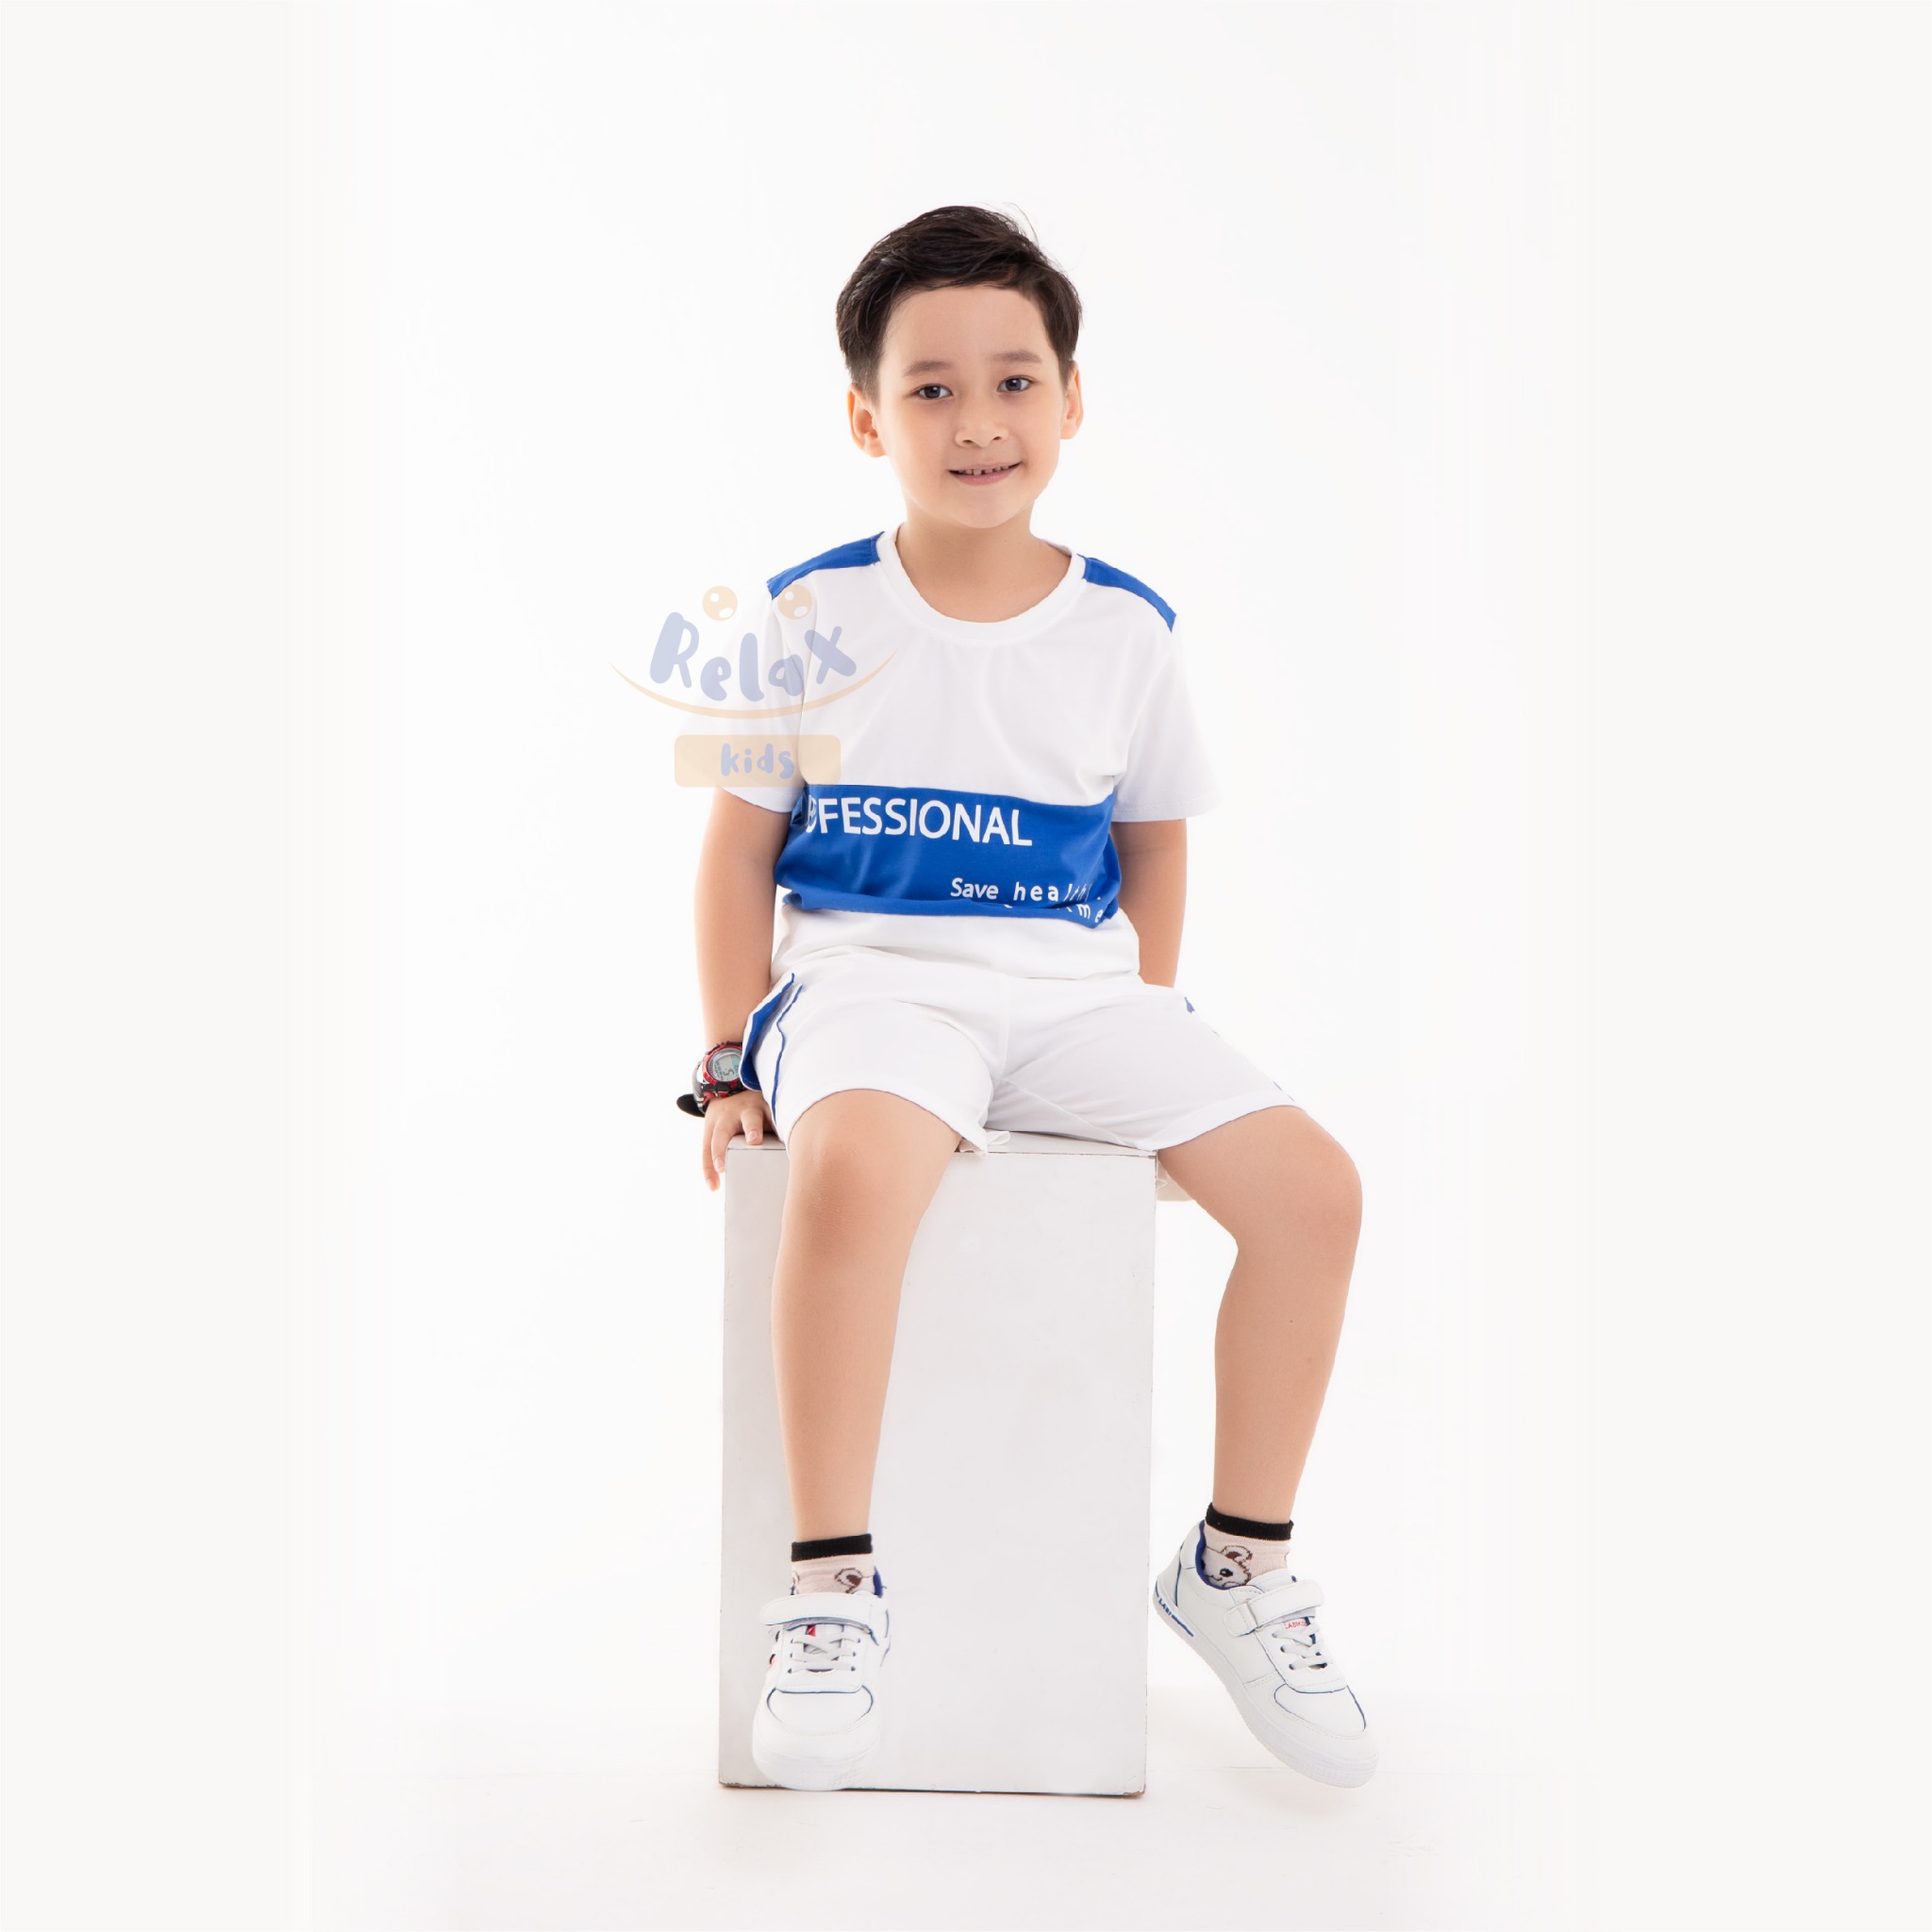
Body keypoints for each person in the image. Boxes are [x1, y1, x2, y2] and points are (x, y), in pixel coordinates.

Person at [680, 206, 1374, 1793]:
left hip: (1071, 996)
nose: (977, 420)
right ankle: (831, 1589)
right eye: (929, 389)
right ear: (867, 418)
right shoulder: (807, 618)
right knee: (853, 1179)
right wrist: (727, 1060)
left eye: (1013, 381)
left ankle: (1237, 1566)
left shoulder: (1127, 629)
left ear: (1071, 400)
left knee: (1316, 1195)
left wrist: (1146, 1028)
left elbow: (1153, 842)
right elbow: (735, 856)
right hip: (872, 985)